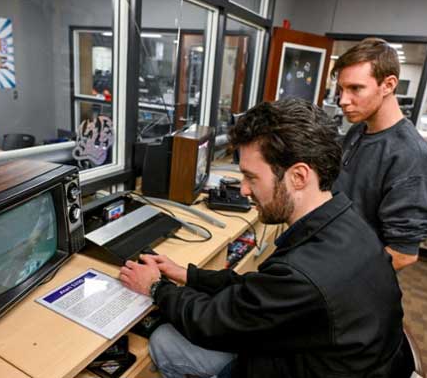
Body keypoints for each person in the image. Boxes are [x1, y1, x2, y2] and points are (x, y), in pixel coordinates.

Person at [119, 98, 407, 378]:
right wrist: (188, 275)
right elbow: (261, 293)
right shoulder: (346, 222)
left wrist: (156, 288)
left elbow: (213, 323)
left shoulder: (303, 273)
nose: (243, 190)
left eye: (251, 177)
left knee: (164, 341)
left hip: (296, 367)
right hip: (350, 360)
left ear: (298, 176)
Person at [331, 38, 427, 271]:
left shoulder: (411, 157)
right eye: (341, 89)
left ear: (389, 85)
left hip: (352, 282)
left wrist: (341, 283)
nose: (343, 100)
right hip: (335, 255)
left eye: (355, 88)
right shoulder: (359, 130)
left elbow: (402, 253)